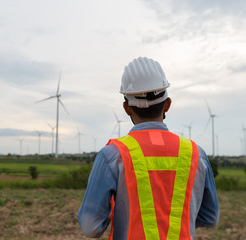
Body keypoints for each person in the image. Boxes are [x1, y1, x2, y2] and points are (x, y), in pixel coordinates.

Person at [78, 57, 219, 240]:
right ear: (167, 104)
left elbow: (90, 227)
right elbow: (210, 218)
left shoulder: (112, 155)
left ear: (127, 108)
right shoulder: (196, 154)